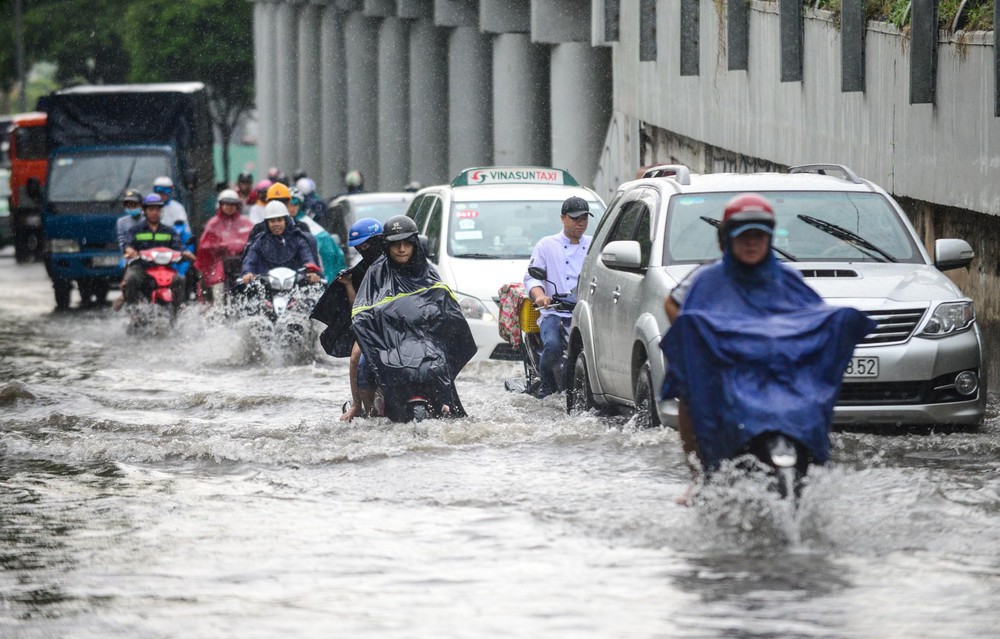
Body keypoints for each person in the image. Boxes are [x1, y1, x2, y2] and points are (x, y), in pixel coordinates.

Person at [659, 193, 874, 504]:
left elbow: (811, 318)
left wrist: (839, 323)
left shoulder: (787, 278)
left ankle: (813, 459)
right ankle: (699, 478)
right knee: (690, 393)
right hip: (726, 370)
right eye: (744, 236)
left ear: (769, 238)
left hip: (775, 371)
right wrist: (704, 347)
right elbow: (674, 306)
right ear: (728, 239)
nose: (751, 243)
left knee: (812, 398)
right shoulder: (706, 280)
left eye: (759, 236)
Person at [349, 215, 477, 422]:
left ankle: (442, 402)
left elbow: (443, 299)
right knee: (362, 362)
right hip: (389, 340)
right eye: (396, 245)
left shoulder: (427, 270)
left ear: (414, 244)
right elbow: (362, 309)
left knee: (441, 363)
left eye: (407, 244)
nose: (402, 250)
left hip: (425, 338)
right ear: (387, 247)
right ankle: (365, 411)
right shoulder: (375, 272)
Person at [309, 218, 386, 421]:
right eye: (359, 247)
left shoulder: (400, 263)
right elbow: (356, 307)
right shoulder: (361, 271)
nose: (363, 250)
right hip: (373, 326)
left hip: (402, 321)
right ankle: (358, 405)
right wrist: (348, 284)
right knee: (355, 357)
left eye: (366, 245)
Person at [522, 196, 593, 398]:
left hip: (584, 311)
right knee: (552, 345)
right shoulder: (546, 245)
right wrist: (540, 297)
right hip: (554, 311)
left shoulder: (594, 245)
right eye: (575, 218)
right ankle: (547, 386)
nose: (581, 223)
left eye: (584, 218)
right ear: (563, 218)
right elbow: (531, 278)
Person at [121, 195, 194, 309]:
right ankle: (133, 311)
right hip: (142, 268)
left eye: (157, 209)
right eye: (151, 209)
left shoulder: (169, 231)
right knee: (131, 279)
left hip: (165, 269)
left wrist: (185, 253)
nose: (155, 212)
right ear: (144, 211)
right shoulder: (135, 230)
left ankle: (178, 312)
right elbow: (127, 244)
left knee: (180, 279)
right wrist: (130, 250)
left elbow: (178, 246)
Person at [240, 201, 323, 284]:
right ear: (267, 223)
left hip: (295, 288)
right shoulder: (260, 240)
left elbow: (307, 257)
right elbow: (249, 259)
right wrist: (247, 273)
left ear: (285, 221)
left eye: (279, 220)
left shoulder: (298, 239)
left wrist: (311, 272)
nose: (276, 224)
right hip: (266, 289)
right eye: (272, 221)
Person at [195, 189, 255, 301]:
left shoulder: (245, 222)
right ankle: (217, 310)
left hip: (241, 264)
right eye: (226, 204)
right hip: (219, 264)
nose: (230, 207)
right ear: (220, 205)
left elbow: (254, 241)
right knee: (218, 287)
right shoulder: (213, 223)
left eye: (233, 204)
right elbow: (204, 246)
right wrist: (222, 247)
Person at [289, 187, 345, 283]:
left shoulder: (308, 226)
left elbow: (328, 266)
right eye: (289, 205)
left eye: (295, 204)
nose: (292, 208)